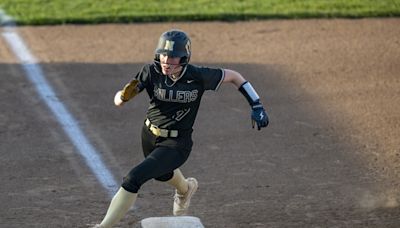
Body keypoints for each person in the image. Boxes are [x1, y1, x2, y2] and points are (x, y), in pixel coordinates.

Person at [92, 29, 268, 228]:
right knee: (161, 174)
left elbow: (236, 77)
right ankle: (186, 189)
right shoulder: (151, 72)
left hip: (177, 143)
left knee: (133, 178)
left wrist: (256, 104)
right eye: (164, 55)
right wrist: (122, 97)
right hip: (149, 135)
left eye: (173, 57)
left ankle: (103, 226)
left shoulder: (198, 76)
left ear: (184, 58)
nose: (167, 61)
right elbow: (119, 99)